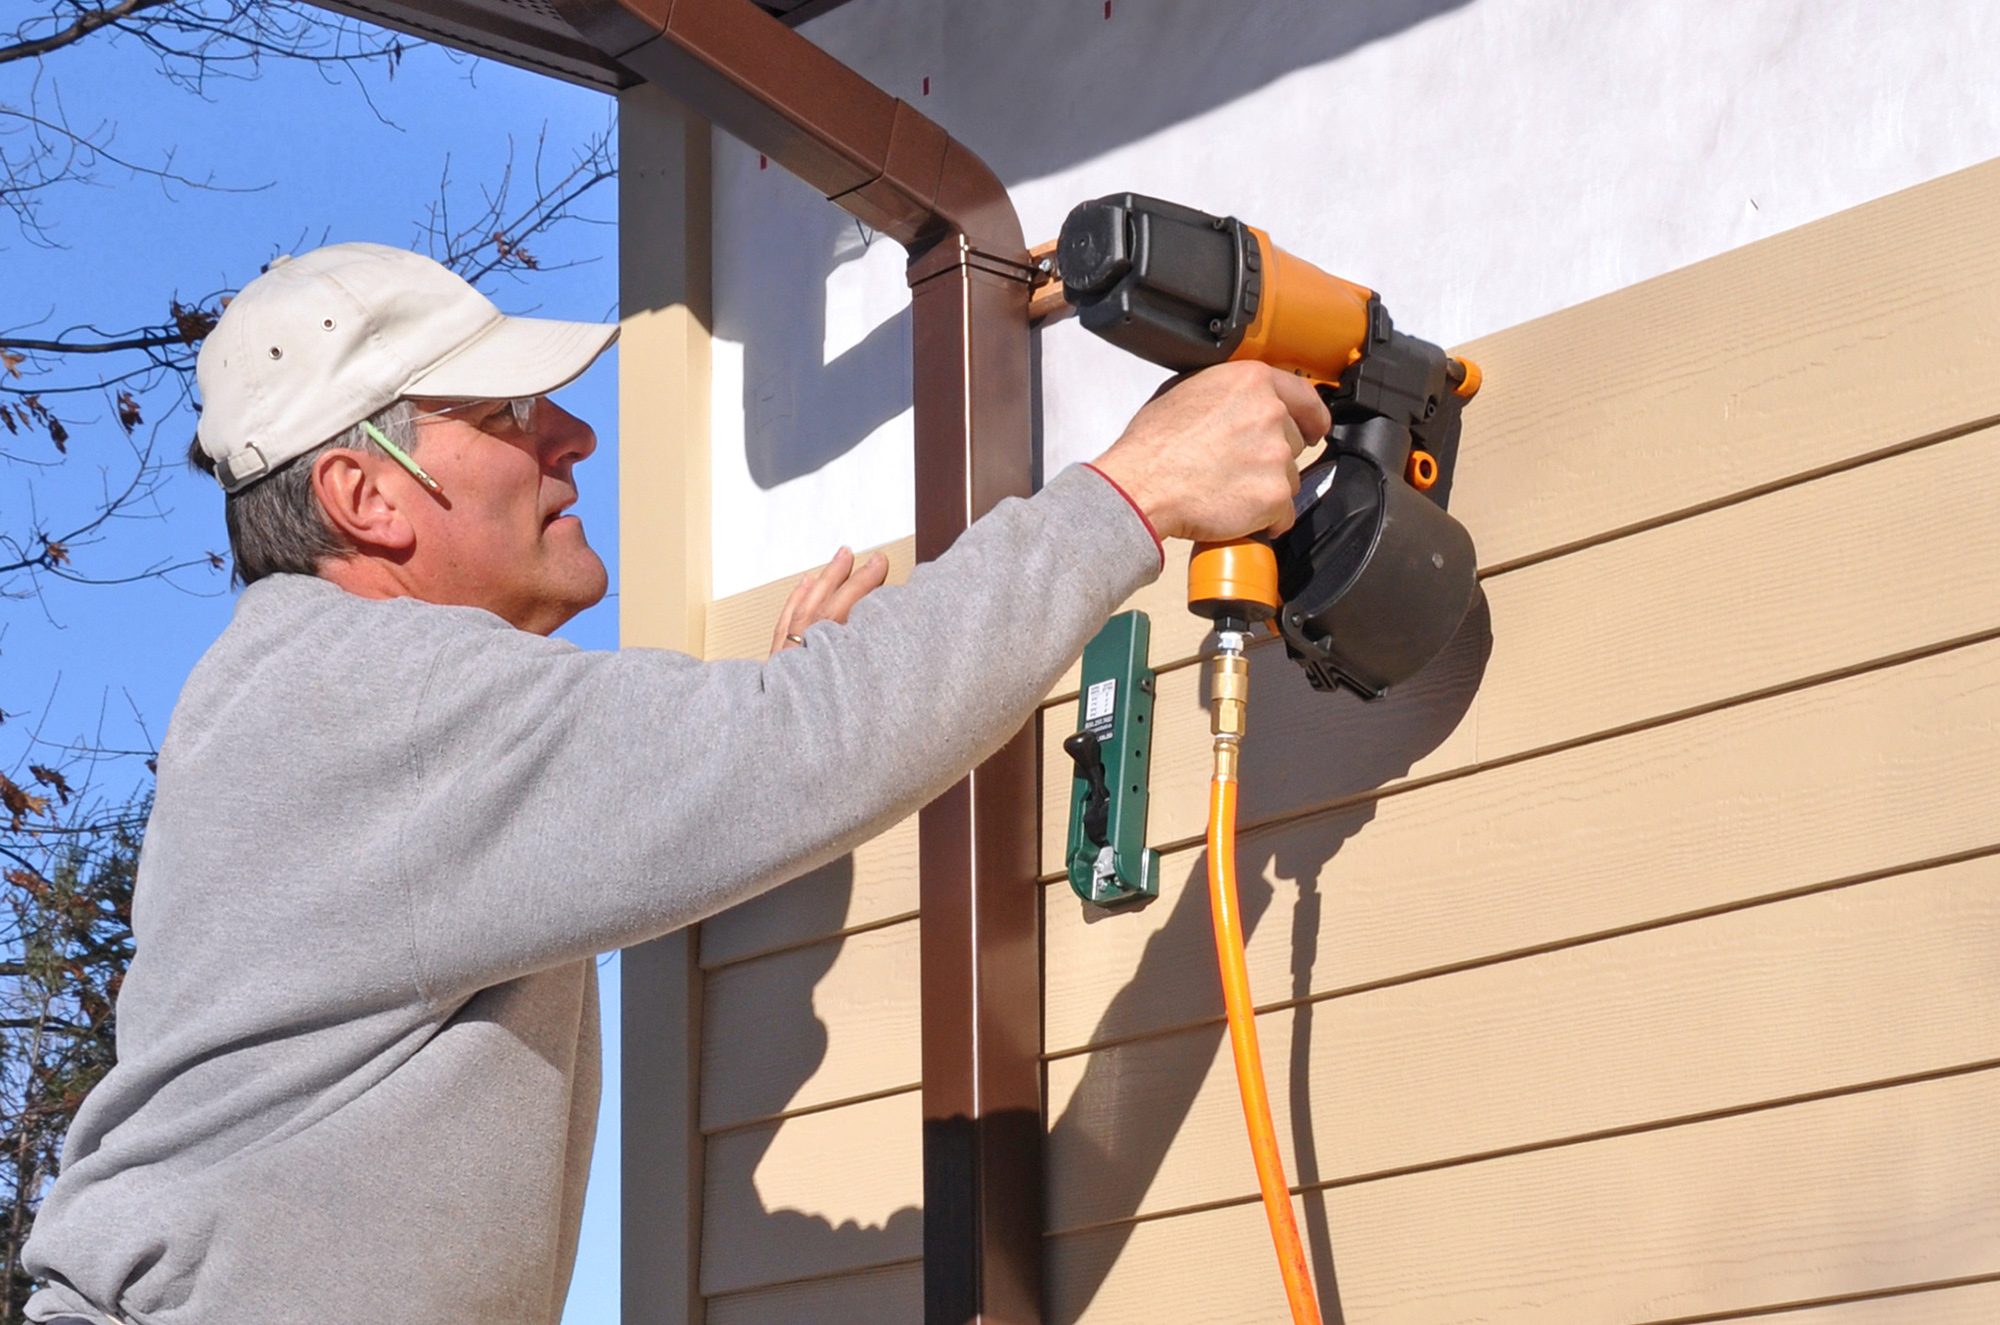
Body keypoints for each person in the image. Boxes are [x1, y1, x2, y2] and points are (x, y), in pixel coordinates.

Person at [21, 242, 1325, 1323]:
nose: (576, 435)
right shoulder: (366, 692)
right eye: (513, 413)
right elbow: (801, 747)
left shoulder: (323, 701)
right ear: (367, 493)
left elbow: (724, 784)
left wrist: (766, 730)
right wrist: (1133, 492)